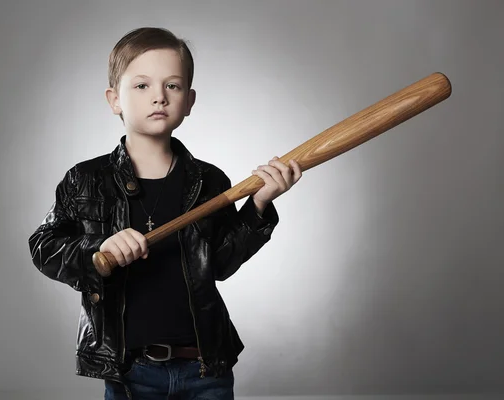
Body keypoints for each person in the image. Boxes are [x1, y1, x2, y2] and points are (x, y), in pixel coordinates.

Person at [28, 27, 302, 400]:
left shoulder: (209, 180)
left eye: (172, 86)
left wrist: (258, 206)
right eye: (142, 86)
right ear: (114, 99)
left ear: (189, 101)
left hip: (205, 368)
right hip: (131, 373)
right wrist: (98, 249)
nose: (158, 96)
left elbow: (220, 263)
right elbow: (43, 246)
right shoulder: (85, 180)